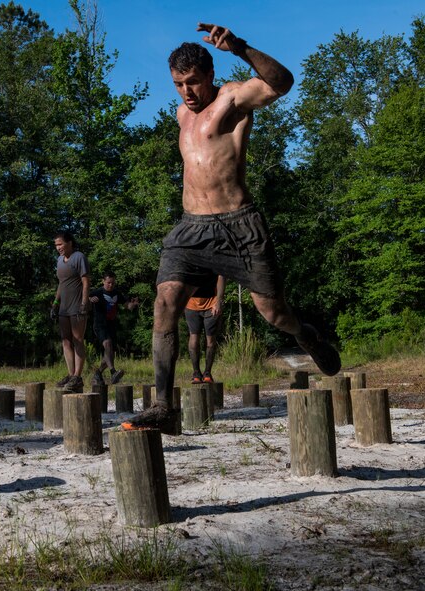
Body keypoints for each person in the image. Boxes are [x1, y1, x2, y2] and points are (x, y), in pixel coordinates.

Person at [124, 24, 340, 433]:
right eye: (178, 84)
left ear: (209, 75)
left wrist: (239, 48)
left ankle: (306, 337)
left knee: (273, 313)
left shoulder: (232, 98)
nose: (186, 91)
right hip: (190, 228)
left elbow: (282, 82)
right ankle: (164, 407)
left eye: (192, 82)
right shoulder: (181, 114)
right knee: (165, 301)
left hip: (239, 225)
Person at [51, 231, 89, 391]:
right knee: (65, 341)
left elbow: (86, 281)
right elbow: (61, 284)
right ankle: (70, 374)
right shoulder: (59, 260)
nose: (58, 247)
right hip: (64, 308)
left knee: (77, 339)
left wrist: (84, 303)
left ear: (69, 243)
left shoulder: (79, 257)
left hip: (77, 306)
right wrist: (55, 303)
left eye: (60, 244)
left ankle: (77, 377)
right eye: (56, 245)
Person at [89, 271, 139, 385]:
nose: (111, 285)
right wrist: (89, 300)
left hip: (111, 325)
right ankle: (113, 372)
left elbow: (127, 305)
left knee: (110, 354)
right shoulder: (97, 292)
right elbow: (85, 298)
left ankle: (98, 373)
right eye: (108, 283)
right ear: (103, 281)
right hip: (100, 325)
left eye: (113, 283)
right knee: (107, 344)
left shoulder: (117, 293)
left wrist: (133, 305)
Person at [185, 275, 226, 384]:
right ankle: (196, 373)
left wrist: (218, 302)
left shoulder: (212, 261)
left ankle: (207, 373)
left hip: (212, 305)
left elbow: (221, 276)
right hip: (191, 305)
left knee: (210, 340)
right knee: (194, 337)